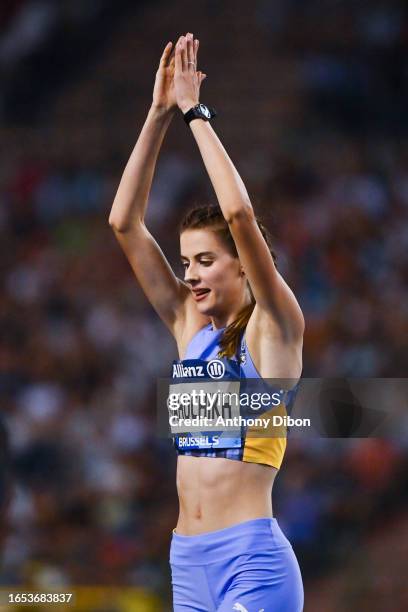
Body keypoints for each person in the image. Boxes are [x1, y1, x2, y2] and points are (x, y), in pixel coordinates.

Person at [109, 32, 304, 612]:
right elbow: (124, 222)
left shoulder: (276, 328)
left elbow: (240, 213)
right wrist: (157, 115)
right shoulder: (188, 329)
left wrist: (196, 113)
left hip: (252, 560)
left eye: (205, 261)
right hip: (186, 562)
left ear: (242, 265)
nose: (190, 275)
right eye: (186, 261)